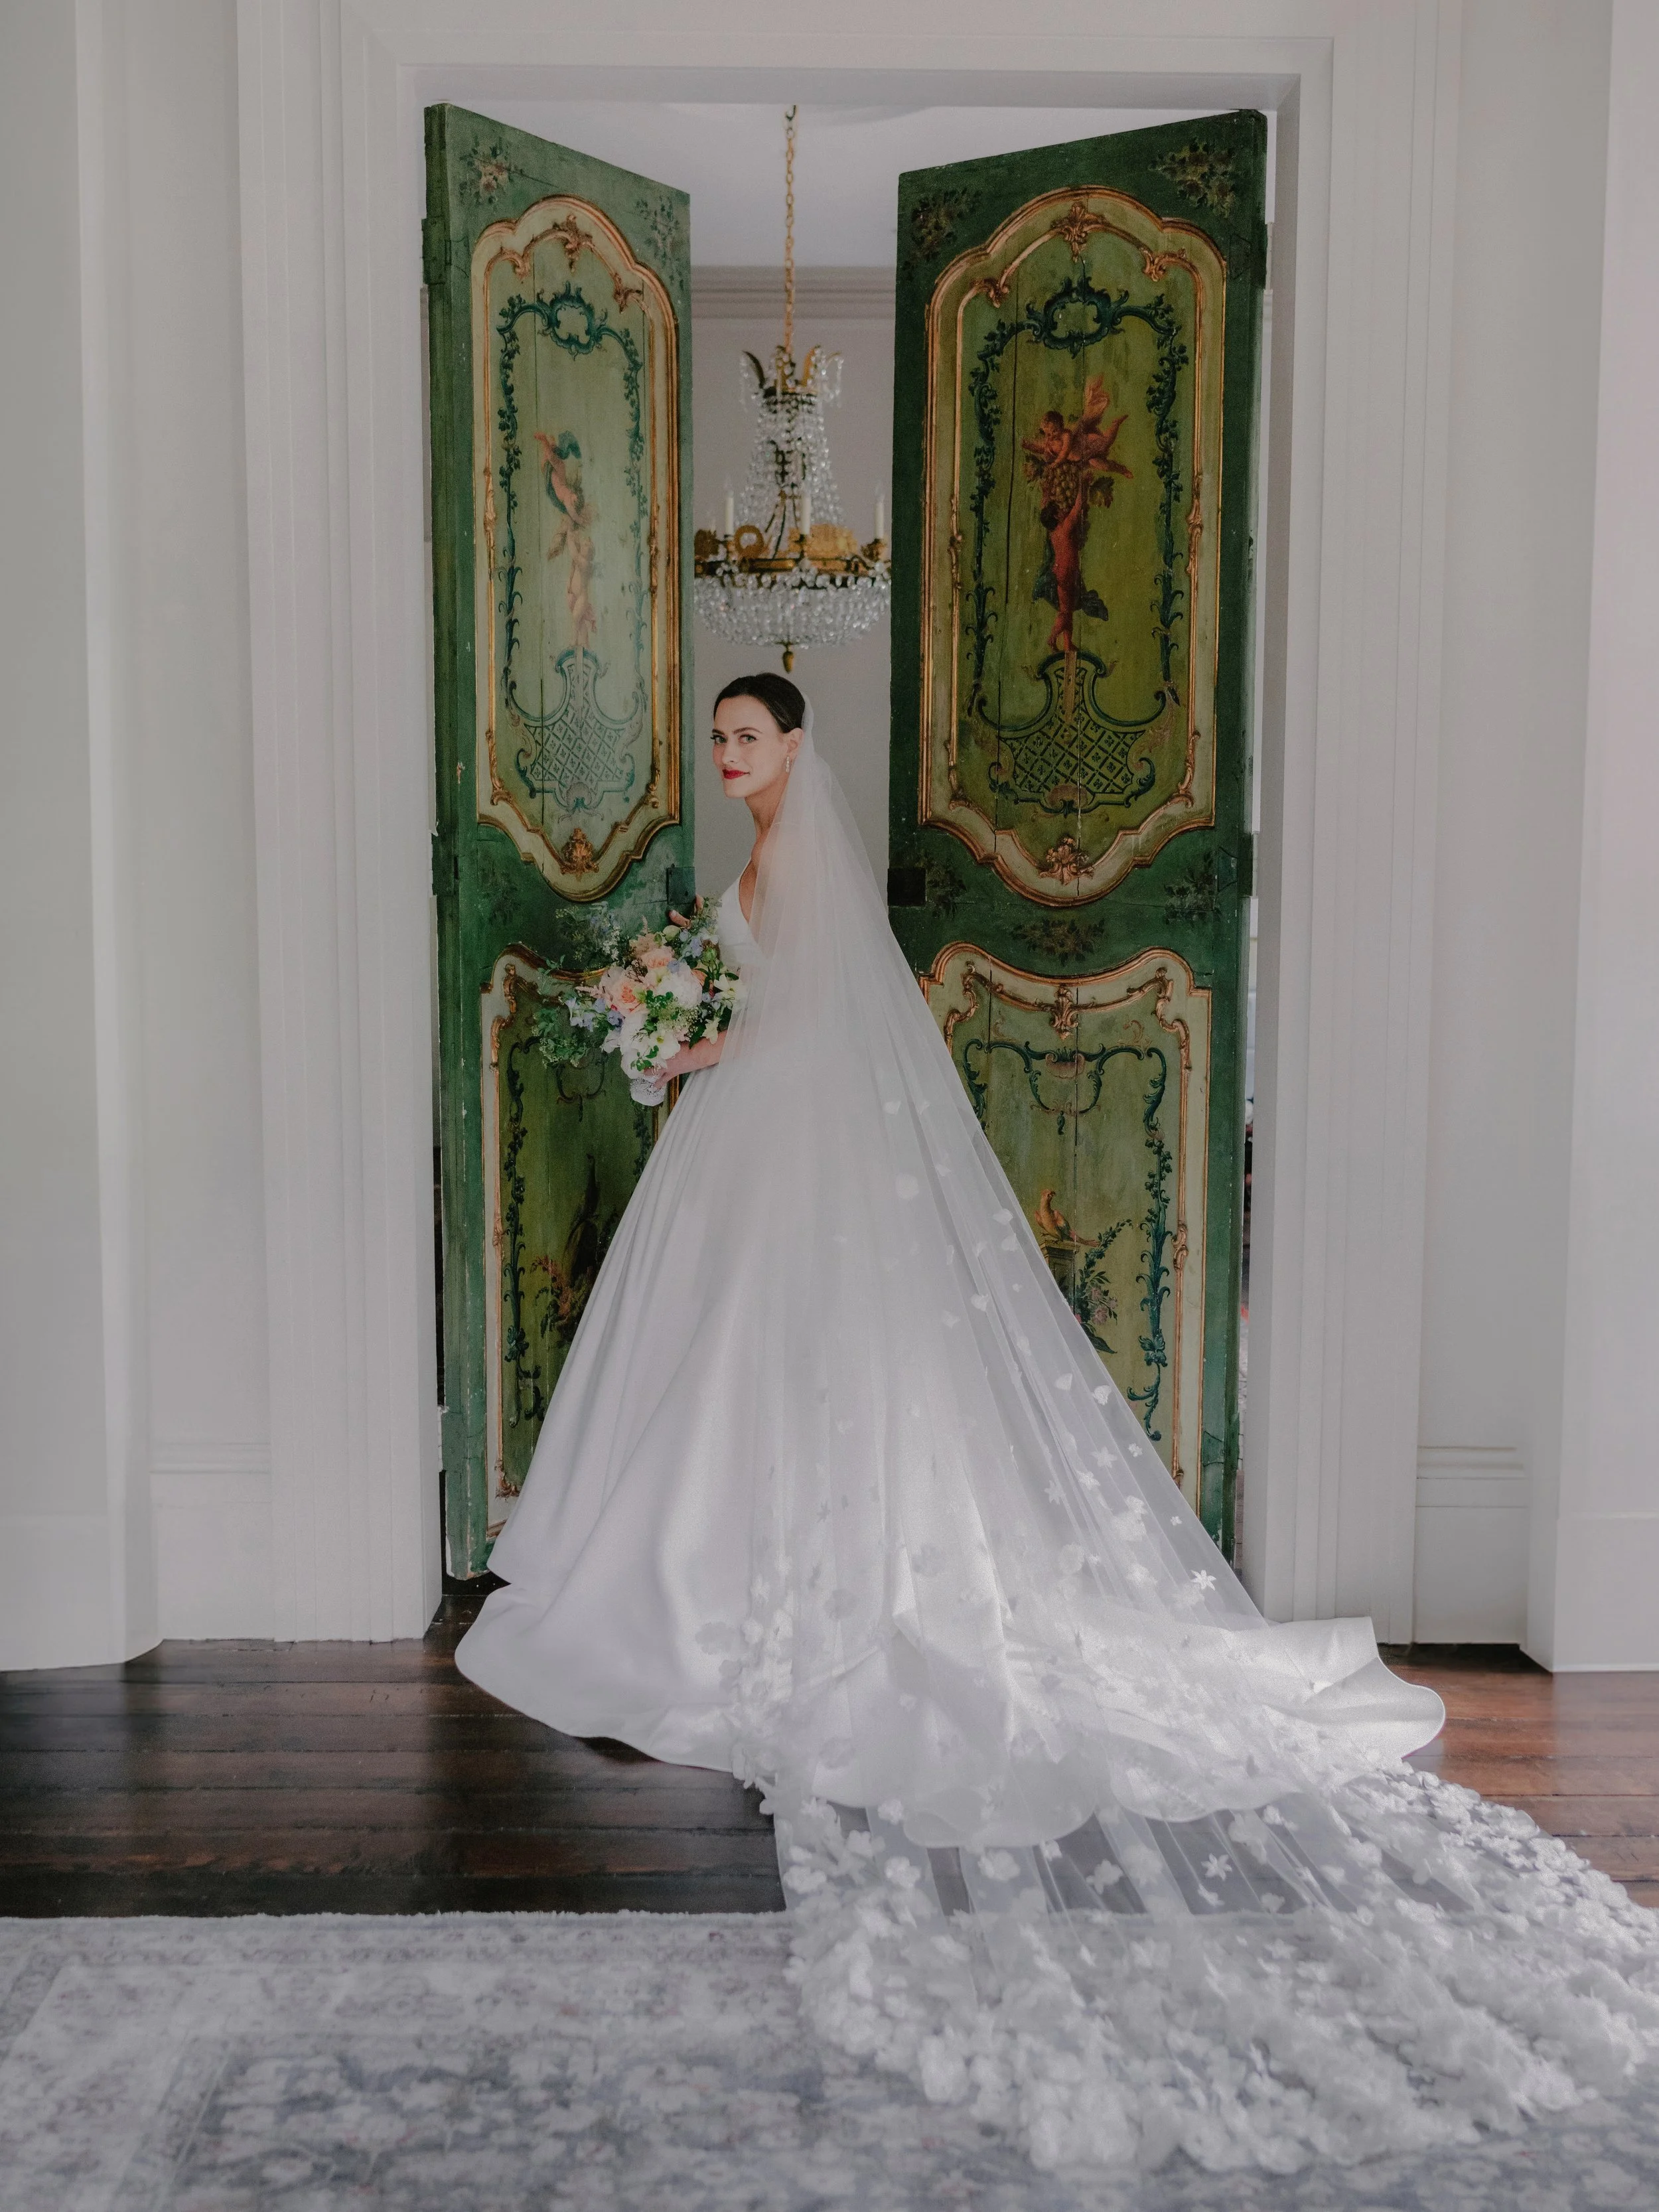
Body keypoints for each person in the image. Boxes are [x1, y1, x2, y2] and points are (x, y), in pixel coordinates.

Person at [457, 676, 1659, 2175]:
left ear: (793, 751)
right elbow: (749, 1014)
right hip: (741, 1156)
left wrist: (682, 1045)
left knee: (771, 1362)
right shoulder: (755, 867)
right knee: (714, 1357)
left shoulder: (791, 868)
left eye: (743, 740)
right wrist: (677, 1034)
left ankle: (727, 1578)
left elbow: (790, 1030)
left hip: (772, 1152)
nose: (723, 759)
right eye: (716, 740)